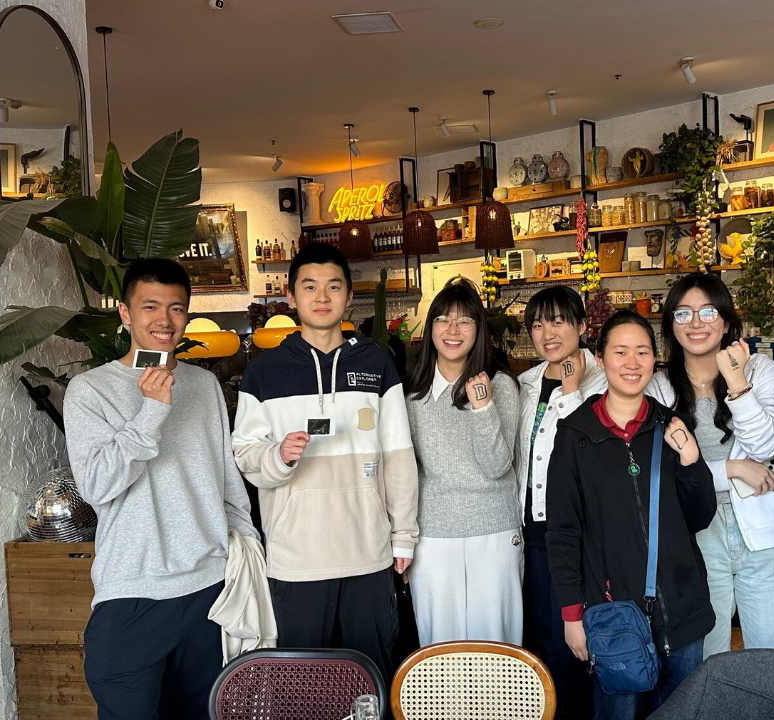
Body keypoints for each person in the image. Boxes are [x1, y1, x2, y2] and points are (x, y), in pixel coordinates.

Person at [64, 258, 259, 720]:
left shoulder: (205, 385)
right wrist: (150, 411)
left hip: (208, 590)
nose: (164, 320)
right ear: (125, 313)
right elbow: (97, 485)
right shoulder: (90, 391)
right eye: (150, 306)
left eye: (176, 309)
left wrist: (242, 543)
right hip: (132, 592)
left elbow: (226, 480)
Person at [231, 242, 418, 680]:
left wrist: (404, 536)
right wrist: (277, 456)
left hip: (368, 555)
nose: (321, 297)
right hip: (295, 559)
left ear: (349, 297)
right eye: (309, 287)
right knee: (302, 686)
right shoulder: (264, 372)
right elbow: (244, 454)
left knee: (369, 678)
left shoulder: (377, 364)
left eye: (333, 287)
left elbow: (399, 457)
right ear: (291, 297)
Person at [547, 311, 718, 720]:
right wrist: (573, 615)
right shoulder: (575, 435)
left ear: (654, 360)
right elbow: (563, 532)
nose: (632, 362)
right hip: (613, 616)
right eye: (620, 352)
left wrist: (693, 461)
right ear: (601, 359)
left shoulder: (670, 425)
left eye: (642, 352)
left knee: (679, 712)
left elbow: (701, 516)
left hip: (681, 609)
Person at [647, 273, 774, 657]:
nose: (696, 322)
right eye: (683, 314)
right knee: (704, 652)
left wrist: (734, 377)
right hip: (694, 530)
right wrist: (733, 469)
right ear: (670, 326)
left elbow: (766, 447)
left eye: (708, 311)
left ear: (726, 321)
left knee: (772, 651)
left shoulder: (760, 370)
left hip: (760, 527)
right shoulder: (658, 388)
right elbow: (662, 472)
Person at [404, 280, 522, 644]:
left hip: (495, 531)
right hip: (433, 535)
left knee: (497, 645)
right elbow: (406, 473)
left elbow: (497, 465)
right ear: (430, 329)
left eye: (464, 322)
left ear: (478, 330)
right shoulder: (412, 395)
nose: (452, 331)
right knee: (439, 646)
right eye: (442, 320)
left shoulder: (500, 385)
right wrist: (403, 541)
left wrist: (482, 407)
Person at [516, 285, 606, 720]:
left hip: (581, 534)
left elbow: (587, 449)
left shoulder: (606, 380)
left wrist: (571, 388)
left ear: (582, 326)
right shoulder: (526, 383)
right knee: (542, 637)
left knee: (578, 638)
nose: (547, 333)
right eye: (537, 324)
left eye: (557, 321)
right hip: (532, 531)